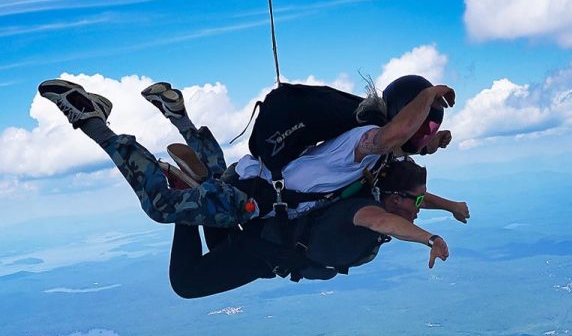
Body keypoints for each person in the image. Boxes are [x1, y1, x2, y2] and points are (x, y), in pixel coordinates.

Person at [36, 76, 460, 226]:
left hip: (256, 176)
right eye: (424, 125)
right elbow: (393, 136)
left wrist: (447, 199)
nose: (426, 137)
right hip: (259, 201)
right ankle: (91, 118)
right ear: (404, 114)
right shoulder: (367, 141)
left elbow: (406, 160)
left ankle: (179, 115)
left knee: (217, 177)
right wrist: (432, 93)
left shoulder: (373, 143)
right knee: (162, 205)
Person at [167, 156, 456, 298]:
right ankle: (184, 199)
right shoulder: (366, 211)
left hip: (263, 239)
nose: (420, 207)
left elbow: (404, 205)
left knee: (219, 248)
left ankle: (206, 185)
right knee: (186, 283)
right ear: (394, 198)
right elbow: (385, 222)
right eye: (417, 200)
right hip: (265, 251)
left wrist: (450, 206)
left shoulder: (370, 193)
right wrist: (429, 239)